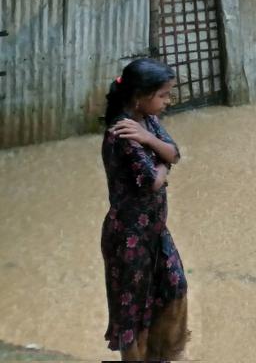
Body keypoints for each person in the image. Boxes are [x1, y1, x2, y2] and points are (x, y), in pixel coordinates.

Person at [101, 58, 189, 361]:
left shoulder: (146, 122)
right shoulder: (123, 133)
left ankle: (162, 355)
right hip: (129, 238)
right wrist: (163, 162)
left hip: (154, 229)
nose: (168, 101)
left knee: (174, 285)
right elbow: (152, 181)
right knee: (132, 310)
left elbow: (174, 152)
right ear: (140, 96)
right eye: (163, 95)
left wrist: (152, 142)